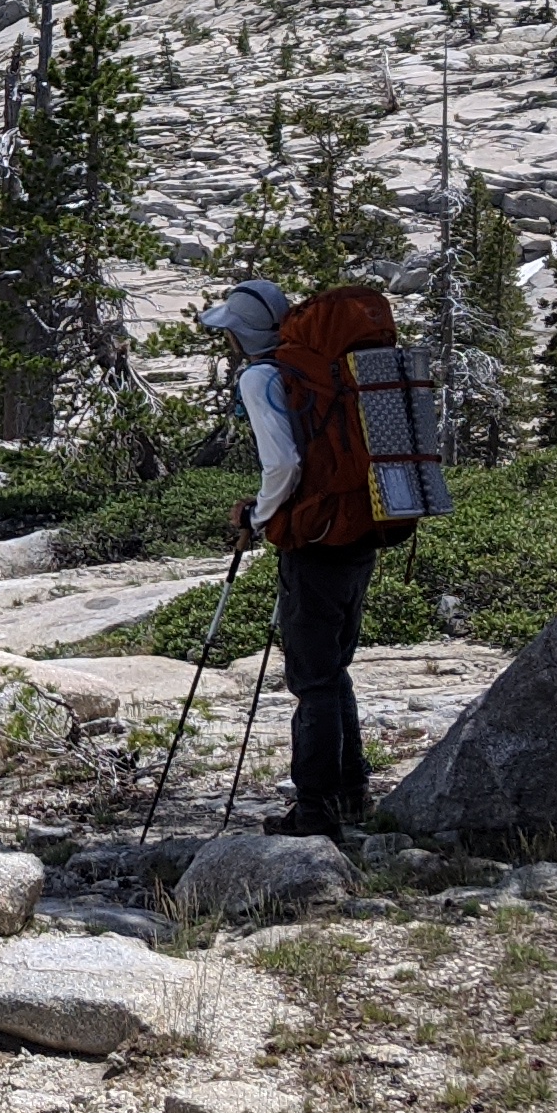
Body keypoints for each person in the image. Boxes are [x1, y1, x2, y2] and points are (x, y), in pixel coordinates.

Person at [200, 275, 376, 838]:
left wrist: (260, 517)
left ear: (240, 335)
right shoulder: (320, 370)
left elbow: (283, 465)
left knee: (312, 677)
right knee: (334, 666)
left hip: (315, 537)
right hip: (359, 524)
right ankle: (352, 791)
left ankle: (316, 809)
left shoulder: (261, 377)